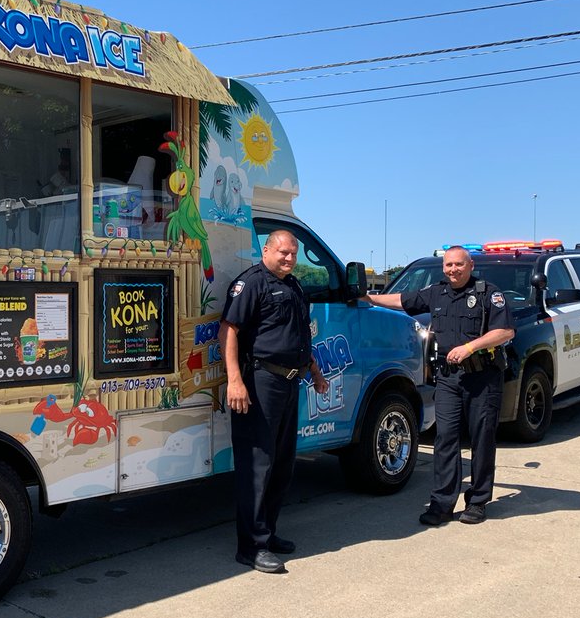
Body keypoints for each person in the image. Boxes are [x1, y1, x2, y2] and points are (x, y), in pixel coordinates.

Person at [364, 246, 515, 525]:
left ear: (470, 265)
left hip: (482, 377)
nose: (452, 270)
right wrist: (369, 297)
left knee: (482, 439)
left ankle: (478, 502)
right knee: (445, 439)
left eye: (458, 265)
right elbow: (402, 300)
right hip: (448, 378)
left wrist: (470, 347)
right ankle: (442, 503)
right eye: (448, 266)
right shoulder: (437, 292)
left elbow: (505, 331)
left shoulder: (488, 293)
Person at [219, 229, 329, 573]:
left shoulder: (294, 286)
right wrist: (235, 381)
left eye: (294, 253)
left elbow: (297, 334)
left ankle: (268, 533)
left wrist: (315, 370)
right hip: (260, 382)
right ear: (266, 250)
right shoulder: (251, 283)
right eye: (283, 252)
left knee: (283, 464)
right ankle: (250, 547)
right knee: (257, 465)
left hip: (290, 383)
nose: (289, 258)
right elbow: (229, 331)